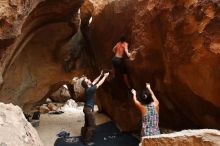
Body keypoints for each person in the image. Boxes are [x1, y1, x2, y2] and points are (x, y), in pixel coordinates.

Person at [81, 71, 109, 145]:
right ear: (87, 84)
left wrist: (100, 75)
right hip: (89, 110)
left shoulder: (89, 87)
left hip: (86, 109)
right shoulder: (90, 89)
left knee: (87, 124)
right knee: (92, 126)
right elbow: (99, 84)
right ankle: (87, 141)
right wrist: (105, 76)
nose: (89, 80)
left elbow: (95, 81)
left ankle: (83, 134)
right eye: (88, 80)